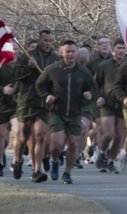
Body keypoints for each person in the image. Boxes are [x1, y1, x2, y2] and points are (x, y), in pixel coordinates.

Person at [34, 40, 97, 184]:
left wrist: (90, 94)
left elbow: (94, 87)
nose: (70, 54)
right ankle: (55, 161)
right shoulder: (52, 70)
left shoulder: (83, 72)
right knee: (56, 144)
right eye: (67, 51)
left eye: (73, 51)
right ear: (62, 52)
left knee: (74, 144)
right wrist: (46, 96)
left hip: (75, 112)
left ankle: (67, 173)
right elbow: (39, 85)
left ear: (76, 53)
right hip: (57, 112)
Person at [11, 30, 60, 180]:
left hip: (44, 103)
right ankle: (18, 160)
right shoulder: (26, 55)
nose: (48, 43)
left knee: (40, 135)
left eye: (50, 41)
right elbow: (15, 75)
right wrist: (29, 67)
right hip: (27, 100)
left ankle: (37, 170)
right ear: (39, 40)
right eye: (45, 40)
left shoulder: (56, 59)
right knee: (23, 135)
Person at [93, 39, 127, 172]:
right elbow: (96, 84)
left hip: (123, 104)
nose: (121, 51)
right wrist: (98, 96)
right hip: (107, 103)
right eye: (118, 48)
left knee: (119, 135)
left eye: (123, 48)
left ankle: (111, 160)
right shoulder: (104, 65)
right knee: (109, 133)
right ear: (113, 49)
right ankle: (102, 152)